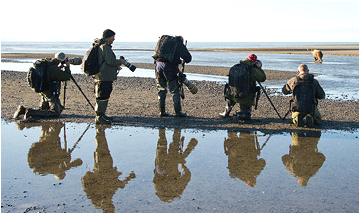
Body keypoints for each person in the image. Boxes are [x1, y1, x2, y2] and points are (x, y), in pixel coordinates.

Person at [13, 52, 71, 119]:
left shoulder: (48, 63)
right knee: (55, 112)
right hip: (50, 92)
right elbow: (66, 76)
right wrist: (67, 66)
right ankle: (30, 112)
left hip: (43, 90)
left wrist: (59, 68)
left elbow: (51, 74)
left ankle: (22, 110)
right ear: (61, 60)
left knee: (44, 110)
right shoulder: (53, 67)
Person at [92, 29, 126, 124]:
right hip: (104, 77)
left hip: (102, 76)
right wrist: (120, 62)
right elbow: (110, 61)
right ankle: (99, 117)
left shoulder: (101, 47)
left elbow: (106, 62)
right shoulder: (105, 47)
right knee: (102, 96)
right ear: (108, 37)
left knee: (103, 95)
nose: (114, 39)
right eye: (113, 37)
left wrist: (116, 66)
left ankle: (101, 115)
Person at [219, 54, 266, 120]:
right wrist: (259, 68)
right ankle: (238, 115)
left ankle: (225, 112)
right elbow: (262, 78)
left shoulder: (237, 67)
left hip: (232, 93)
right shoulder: (252, 70)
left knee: (232, 97)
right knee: (246, 115)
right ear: (255, 62)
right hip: (245, 95)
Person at [155, 36, 192, 117]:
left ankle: (162, 111)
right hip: (169, 68)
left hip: (158, 66)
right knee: (175, 91)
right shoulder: (178, 43)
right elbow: (188, 58)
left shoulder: (164, 42)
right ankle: (178, 112)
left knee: (161, 90)